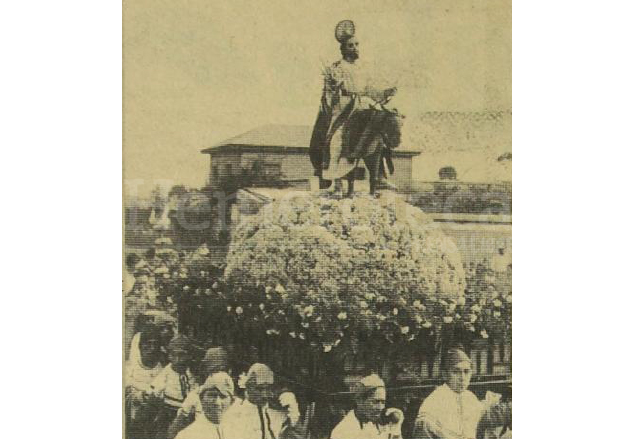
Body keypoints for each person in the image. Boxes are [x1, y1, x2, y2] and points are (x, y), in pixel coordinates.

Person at [309, 20, 400, 197]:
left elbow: (369, 90)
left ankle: (380, 176)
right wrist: (334, 89)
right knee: (337, 139)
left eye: (357, 45)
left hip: (362, 104)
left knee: (380, 130)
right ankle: (335, 182)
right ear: (343, 49)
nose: (355, 48)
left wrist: (385, 92)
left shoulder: (363, 69)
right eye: (351, 46)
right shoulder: (337, 68)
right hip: (343, 108)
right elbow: (328, 95)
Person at [413, 349, 484, 439]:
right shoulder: (433, 403)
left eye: (466, 371)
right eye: (456, 372)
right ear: (445, 374)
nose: (462, 378)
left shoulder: (470, 397)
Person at [167, 347, 233, 439]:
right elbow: (176, 427)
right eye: (214, 370)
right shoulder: (196, 395)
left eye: (223, 370)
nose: (219, 374)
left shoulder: (236, 400)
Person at [223, 363, 301, 439]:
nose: (265, 394)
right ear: (248, 387)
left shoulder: (276, 412)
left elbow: (296, 435)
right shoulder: (235, 413)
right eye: (259, 389)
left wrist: (294, 414)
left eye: (268, 388)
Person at [330, 373, 404, 439]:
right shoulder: (344, 431)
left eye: (383, 402)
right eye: (375, 402)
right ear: (359, 401)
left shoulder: (381, 422)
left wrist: (396, 429)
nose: (381, 407)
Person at [125, 325, 164, 438]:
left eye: (155, 344)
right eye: (148, 344)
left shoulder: (163, 369)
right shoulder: (128, 370)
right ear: (140, 346)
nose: (152, 348)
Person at [174, 372, 235, 439]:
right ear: (201, 398)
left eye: (223, 396)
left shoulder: (237, 430)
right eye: (212, 395)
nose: (217, 402)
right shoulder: (187, 435)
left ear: (231, 402)